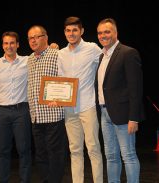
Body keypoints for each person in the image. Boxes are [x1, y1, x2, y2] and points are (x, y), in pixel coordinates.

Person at [95, 18, 143, 183]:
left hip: (123, 115)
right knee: (111, 156)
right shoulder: (102, 56)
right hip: (104, 112)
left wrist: (133, 117)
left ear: (116, 33)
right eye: (100, 33)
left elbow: (135, 88)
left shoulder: (128, 53)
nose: (103, 35)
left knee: (128, 155)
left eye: (107, 32)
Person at [56, 16, 103, 183]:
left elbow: (106, 62)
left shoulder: (92, 48)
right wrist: (57, 97)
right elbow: (60, 80)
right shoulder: (60, 54)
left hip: (88, 105)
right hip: (69, 108)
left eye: (74, 30)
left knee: (93, 148)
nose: (71, 33)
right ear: (64, 32)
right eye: (68, 30)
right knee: (75, 150)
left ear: (81, 31)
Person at [0, 31, 32, 183]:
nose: (9, 46)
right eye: (6, 43)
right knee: (4, 151)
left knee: (24, 150)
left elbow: (42, 55)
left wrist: (52, 46)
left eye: (12, 43)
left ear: (17, 45)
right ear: (2, 45)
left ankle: (24, 180)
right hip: (3, 112)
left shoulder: (27, 61)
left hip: (21, 111)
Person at [27, 25, 68, 183]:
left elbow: (67, 79)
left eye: (37, 37)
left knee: (55, 153)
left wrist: (61, 99)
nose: (34, 40)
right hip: (36, 116)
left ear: (46, 37)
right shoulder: (29, 59)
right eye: (31, 38)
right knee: (41, 154)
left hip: (53, 115)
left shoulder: (57, 54)